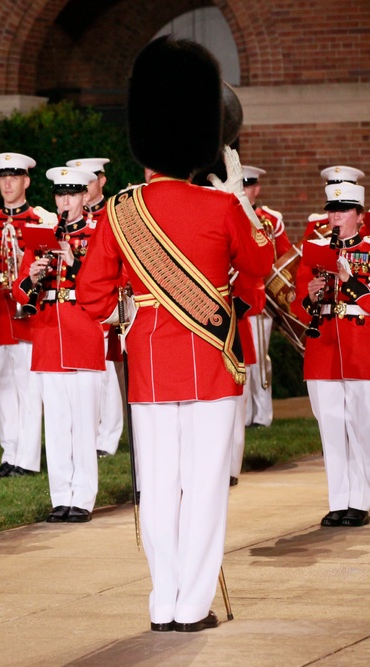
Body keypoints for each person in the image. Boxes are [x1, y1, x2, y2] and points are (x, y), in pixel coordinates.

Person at [78, 36, 274, 632]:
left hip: (151, 369)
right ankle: (193, 606)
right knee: (206, 490)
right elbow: (261, 268)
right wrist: (233, 193)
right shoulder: (220, 208)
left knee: (158, 491)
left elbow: (91, 298)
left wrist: (128, 312)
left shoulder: (118, 210)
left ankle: (163, 602)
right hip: (212, 366)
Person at [13, 166, 105, 523]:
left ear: (85, 196)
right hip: (49, 333)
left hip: (83, 333)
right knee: (57, 423)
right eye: (60, 195)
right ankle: (60, 497)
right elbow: (18, 291)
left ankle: (82, 498)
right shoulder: (41, 234)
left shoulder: (98, 234)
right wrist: (32, 275)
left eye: (72, 194)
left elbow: (108, 283)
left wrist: (75, 260)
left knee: (83, 424)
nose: (65, 201)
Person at [0, 153, 56, 479]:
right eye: (3, 177)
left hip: (23, 308)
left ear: (26, 181)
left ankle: (28, 457)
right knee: (4, 385)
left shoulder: (39, 221)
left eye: (14, 177)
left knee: (28, 385)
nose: (7, 183)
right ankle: (10, 453)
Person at [290, 180, 370, 529]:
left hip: (360, 349)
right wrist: (308, 295)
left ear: (359, 216)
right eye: (332, 211)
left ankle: (362, 501)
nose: (335, 217)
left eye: (343, 211)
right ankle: (339, 502)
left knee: (363, 428)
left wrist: (348, 280)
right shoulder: (315, 250)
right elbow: (297, 305)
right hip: (323, 350)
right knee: (332, 429)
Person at [68, 157, 123, 458]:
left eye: (89, 180)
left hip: (105, 296)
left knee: (106, 368)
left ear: (102, 180)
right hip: (77, 301)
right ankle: (89, 431)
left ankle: (108, 435)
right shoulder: (72, 217)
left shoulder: (112, 213)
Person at [240, 166, 292, 429]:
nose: (244, 191)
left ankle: (262, 415)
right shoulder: (228, 214)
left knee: (259, 360)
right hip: (235, 300)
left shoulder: (270, 219)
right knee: (240, 360)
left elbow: (285, 259)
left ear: (256, 189)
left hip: (262, 303)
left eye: (247, 186)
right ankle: (245, 415)